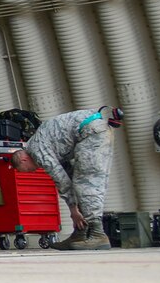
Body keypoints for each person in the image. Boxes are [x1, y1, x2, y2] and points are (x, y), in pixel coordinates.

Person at [8, 105, 121, 250]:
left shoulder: (36, 150)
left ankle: (98, 234)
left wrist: (73, 211)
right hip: (93, 129)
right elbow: (67, 174)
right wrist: (75, 208)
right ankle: (81, 232)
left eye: (27, 170)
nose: (32, 171)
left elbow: (61, 180)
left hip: (90, 132)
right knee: (79, 181)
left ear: (23, 160)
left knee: (86, 183)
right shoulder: (43, 144)